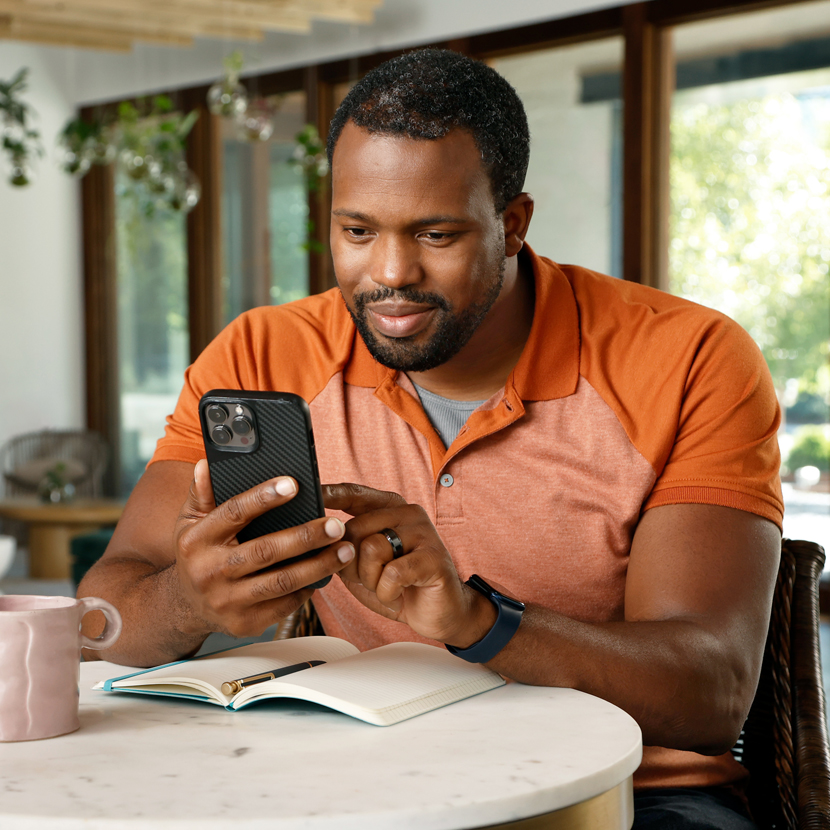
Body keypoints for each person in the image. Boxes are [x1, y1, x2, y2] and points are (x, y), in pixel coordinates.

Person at [79, 49, 783, 828]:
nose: (388, 273)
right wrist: (188, 598)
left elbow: (712, 693)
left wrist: (481, 624)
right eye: (357, 229)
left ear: (512, 224)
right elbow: (99, 615)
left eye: (435, 235)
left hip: (631, 795)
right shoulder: (260, 353)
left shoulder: (689, 358)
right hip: (369, 783)